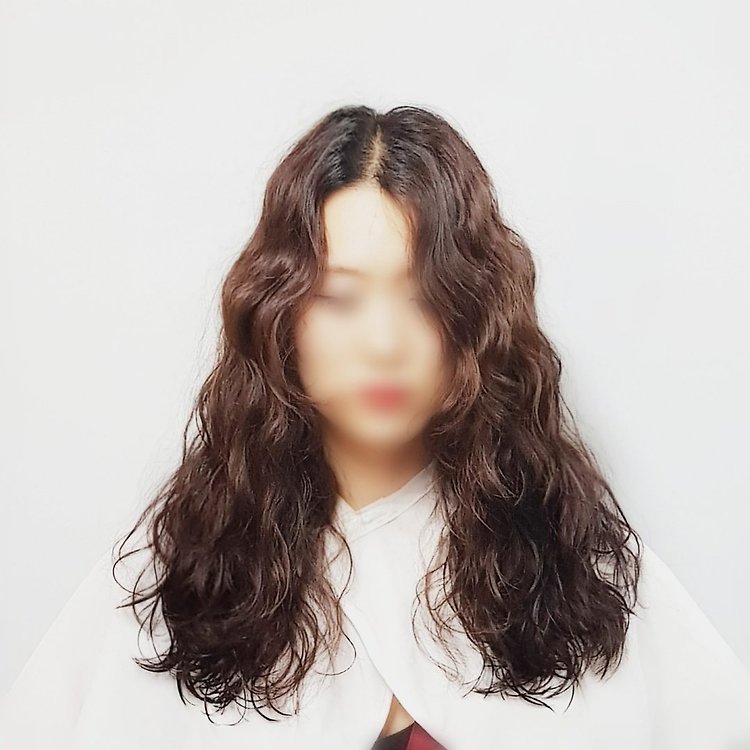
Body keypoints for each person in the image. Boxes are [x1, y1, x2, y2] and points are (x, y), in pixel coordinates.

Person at [2, 105, 749, 750]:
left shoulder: (575, 563)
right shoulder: (181, 572)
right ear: (278, 316)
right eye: (340, 298)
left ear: (473, 319)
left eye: (424, 298)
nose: (385, 343)